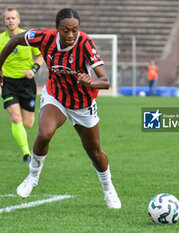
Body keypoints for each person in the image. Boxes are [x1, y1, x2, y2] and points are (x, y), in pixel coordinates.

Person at [0, 8, 121, 208]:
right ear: (57, 29)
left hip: (83, 103)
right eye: (66, 30)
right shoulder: (44, 38)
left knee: (94, 151)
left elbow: (105, 80)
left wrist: (90, 81)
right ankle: (32, 176)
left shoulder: (85, 43)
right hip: (56, 96)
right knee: (44, 133)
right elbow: (14, 40)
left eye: (75, 30)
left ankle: (109, 189)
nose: (71, 35)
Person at [0, 7, 44, 162]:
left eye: (13, 18)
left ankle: (25, 144)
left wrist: (33, 69)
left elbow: (40, 57)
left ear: (18, 20)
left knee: (28, 123)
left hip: (26, 83)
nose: (10, 21)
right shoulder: (0, 40)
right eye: (7, 18)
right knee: (15, 117)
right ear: (4, 20)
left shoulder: (28, 37)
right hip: (8, 83)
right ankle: (26, 153)